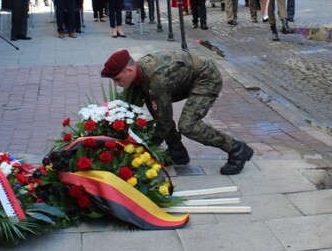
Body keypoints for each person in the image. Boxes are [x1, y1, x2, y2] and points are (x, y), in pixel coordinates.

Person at [101, 49, 255, 174]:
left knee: (188, 125)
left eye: (117, 79)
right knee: (157, 109)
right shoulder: (141, 75)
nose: (116, 84)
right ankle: (177, 152)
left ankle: (237, 149)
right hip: (184, 78)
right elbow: (128, 108)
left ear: (129, 70)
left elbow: (164, 121)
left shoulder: (157, 80)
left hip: (206, 77)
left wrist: (148, 150)